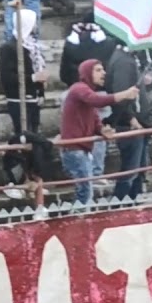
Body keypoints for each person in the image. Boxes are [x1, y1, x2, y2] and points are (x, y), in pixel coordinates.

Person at [60, 59, 137, 206]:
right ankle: (80, 216)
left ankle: (80, 214)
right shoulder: (78, 88)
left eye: (103, 69)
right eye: (98, 70)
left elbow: (95, 119)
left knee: (85, 190)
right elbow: (97, 101)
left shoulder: (86, 92)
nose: (104, 73)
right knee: (85, 191)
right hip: (74, 149)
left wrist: (102, 130)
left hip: (81, 149)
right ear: (87, 73)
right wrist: (125, 94)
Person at [106, 40, 152, 199]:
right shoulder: (124, 62)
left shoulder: (126, 59)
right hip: (131, 125)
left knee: (138, 171)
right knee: (131, 171)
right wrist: (131, 118)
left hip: (139, 122)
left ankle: (133, 200)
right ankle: (120, 202)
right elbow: (121, 95)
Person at [0, 7, 48, 135]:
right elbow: (7, 77)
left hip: (34, 99)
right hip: (19, 100)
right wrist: (33, 78)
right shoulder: (9, 48)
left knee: (35, 134)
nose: (36, 25)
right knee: (24, 135)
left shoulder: (32, 46)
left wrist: (41, 92)